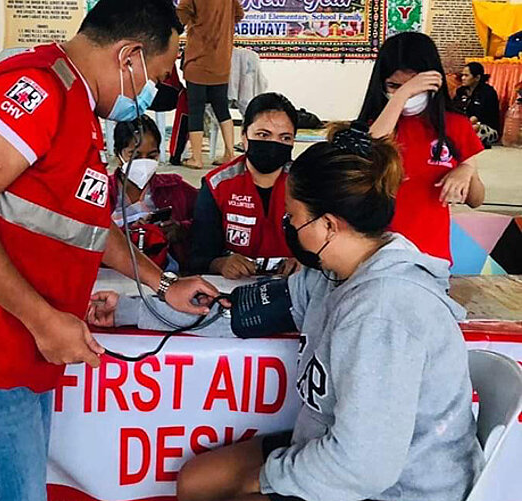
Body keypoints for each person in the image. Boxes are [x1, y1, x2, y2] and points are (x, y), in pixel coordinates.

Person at [0, 1, 221, 500]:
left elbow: (89, 226)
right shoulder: (35, 91)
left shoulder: (76, 100)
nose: (152, 94)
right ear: (130, 57)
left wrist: (164, 285)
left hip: (9, 337)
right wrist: (43, 319)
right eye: (158, 77)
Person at [173, 123, 483, 501]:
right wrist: (135, 309)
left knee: (237, 493)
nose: (287, 227)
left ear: (329, 225)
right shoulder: (331, 274)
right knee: (197, 480)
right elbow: (238, 314)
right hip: (334, 443)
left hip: (396, 486)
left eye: (292, 218)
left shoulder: (383, 313)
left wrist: (264, 480)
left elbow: (363, 467)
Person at [360, 32, 485, 263]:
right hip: (376, 258)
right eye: (394, 86)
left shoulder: (455, 126)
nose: (406, 94)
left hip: (431, 259)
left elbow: (476, 200)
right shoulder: (374, 129)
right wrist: (404, 94)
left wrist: (467, 171)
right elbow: (370, 148)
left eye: (416, 86)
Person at [189, 93, 297, 279]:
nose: (273, 144)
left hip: (294, 289)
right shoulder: (217, 185)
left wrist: (306, 262)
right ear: (244, 136)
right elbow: (198, 257)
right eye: (263, 135)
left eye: (285, 138)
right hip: (234, 289)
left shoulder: (308, 184)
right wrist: (220, 264)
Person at [109, 115, 197, 271]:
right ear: (118, 154)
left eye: (151, 156)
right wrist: (127, 234)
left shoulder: (174, 188)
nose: (143, 162)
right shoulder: (102, 191)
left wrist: (180, 228)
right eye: (134, 156)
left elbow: (207, 220)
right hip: (111, 274)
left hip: (163, 271)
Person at [177, 0, 244, 168]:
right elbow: (239, 15)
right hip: (221, 60)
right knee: (222, 107)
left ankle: (197, 158)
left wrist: (195, 23)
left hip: (198, 60)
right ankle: (230, 152)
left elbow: (181, 14)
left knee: (196, 110)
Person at [453, 62, 501, 148]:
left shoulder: (488, 92)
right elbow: (454, 109)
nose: (463, 78)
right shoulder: (461, 91)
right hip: (464, 124)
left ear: (477, 77)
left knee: (473, 128)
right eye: (462, 75)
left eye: (466, 75)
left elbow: (478, 116)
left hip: (484, 126)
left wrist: (464, 125)